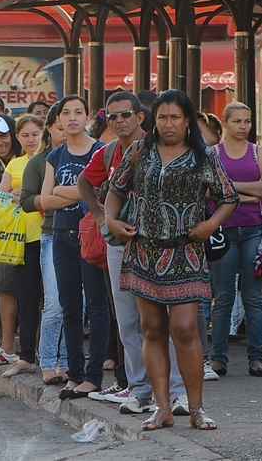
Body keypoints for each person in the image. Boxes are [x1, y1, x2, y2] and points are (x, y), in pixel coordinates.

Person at [106, 89, 238, 431]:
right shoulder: (140, 151)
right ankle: (162, 408)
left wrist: (210, 224)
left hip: (186, 252)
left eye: (175, 117)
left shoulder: (203, 156)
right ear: (154, 120)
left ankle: (196, 409)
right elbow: (116, 190)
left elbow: (228, 197)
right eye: (162, 117)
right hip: (143, 252)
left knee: (185, 328)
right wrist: (111, 221)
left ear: (187, 120)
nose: (168, 124)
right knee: (151, 329)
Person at [78, 91, 188, 414]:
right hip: (120, 245)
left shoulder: (162, 148)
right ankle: (140, 390)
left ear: (141, 117)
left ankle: (176, 392)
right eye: (112, 117)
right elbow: (86, 183)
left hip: (163, 247)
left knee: (167, 322)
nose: (119, 121)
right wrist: (102, 218)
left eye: (125, 115)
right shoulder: (109, 151)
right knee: (128, 321)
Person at [41, 95, 109, 399]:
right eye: (66, 113)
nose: (72, 117)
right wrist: (80, 193)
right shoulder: (55, 156)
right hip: (61, 235)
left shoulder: (100, 151)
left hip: (91, 235)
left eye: (78, 112)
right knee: (69, 307)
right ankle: (74, 372)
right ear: (58, 121)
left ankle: (94, 376)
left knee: (96, 306)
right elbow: (45, 201)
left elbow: (103, 193)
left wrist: (63, 190)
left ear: (87, 116)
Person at [0, 115, 45, 377]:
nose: (30, 139)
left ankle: (51, 356)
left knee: (52, 301)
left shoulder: (51, 160)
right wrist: (13, 197)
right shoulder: (14, 165)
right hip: (19, 241)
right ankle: (25, 354)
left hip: (47, 237)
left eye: (34, 134)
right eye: (25, 135)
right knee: (26, 298)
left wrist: (29, 198)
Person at [209, 102, 262, 377]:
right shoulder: (213, 154)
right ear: (225, 123)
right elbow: (209, 191)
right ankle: (218, 358)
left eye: (247, 121)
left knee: (254, 296)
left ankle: (257, 358)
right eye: (238, 121)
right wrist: (250, 193)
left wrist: (231, 189)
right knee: (223, 296)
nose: (244, 126)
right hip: (223, 231)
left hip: (254, 229)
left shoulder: (258, 152)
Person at [20, 104, 69, 384]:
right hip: (51, 234)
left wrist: (60, 196)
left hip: (83, 236)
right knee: (54, 303)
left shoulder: (90, 155)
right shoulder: (39, 163)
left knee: (77, 305)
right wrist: (64, 198)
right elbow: (26, 200)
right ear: (50, 128)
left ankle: (68, 361)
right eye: (60, 126)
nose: (65, 131)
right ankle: (49, 361)